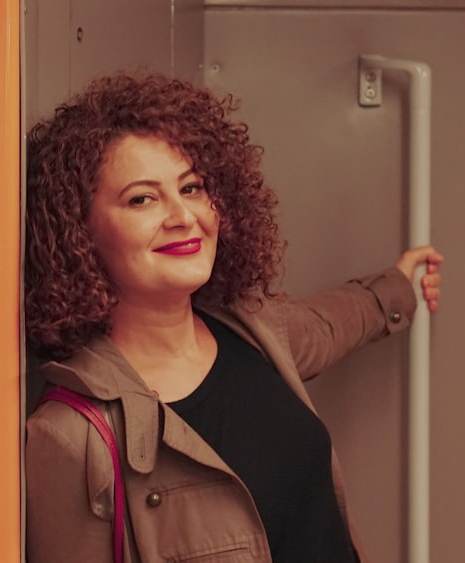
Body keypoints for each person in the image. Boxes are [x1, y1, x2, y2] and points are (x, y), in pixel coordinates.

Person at [23, 72, 443, 563]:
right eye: (142, 198)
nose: (183, 216)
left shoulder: (253, 329)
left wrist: (400, 286)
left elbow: (333, 323)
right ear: (79, 232)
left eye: (192, 187)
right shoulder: (72, 437)